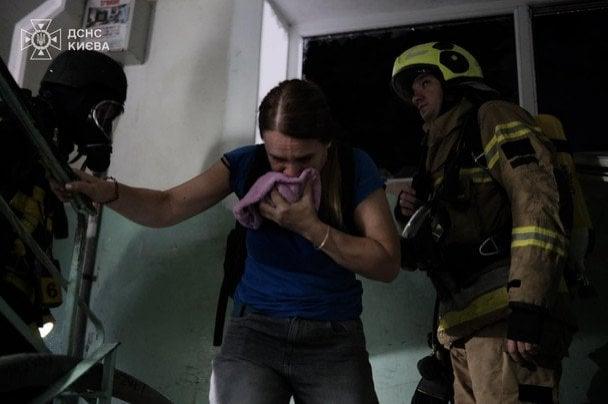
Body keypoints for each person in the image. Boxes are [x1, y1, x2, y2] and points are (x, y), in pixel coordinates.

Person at [54, 79, 401, 403]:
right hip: (255, 332)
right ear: (264, 143)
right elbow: (167, 206)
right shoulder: (246, 163)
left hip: (334, 337)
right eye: (278, 159)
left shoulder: (354, 166)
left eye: (304, 159)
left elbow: (386, 263)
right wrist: (109, 192)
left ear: (327, 143)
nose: (291, 172)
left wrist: (311, 227)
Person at [391, 42, 576, 403]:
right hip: (465, 322)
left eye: (425, 82)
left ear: (454, 80)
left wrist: (528, 305)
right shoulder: (441, 147)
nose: (416, 95)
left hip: (506, 317)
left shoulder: (493, 116)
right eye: (412, 89)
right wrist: (411, 216)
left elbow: (538, 203)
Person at [0, 49, 127, 355]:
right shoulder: (17, 123)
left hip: (19, 307)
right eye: (104, 114)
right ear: (79, 99)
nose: (104, 127)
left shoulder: (48, 164)